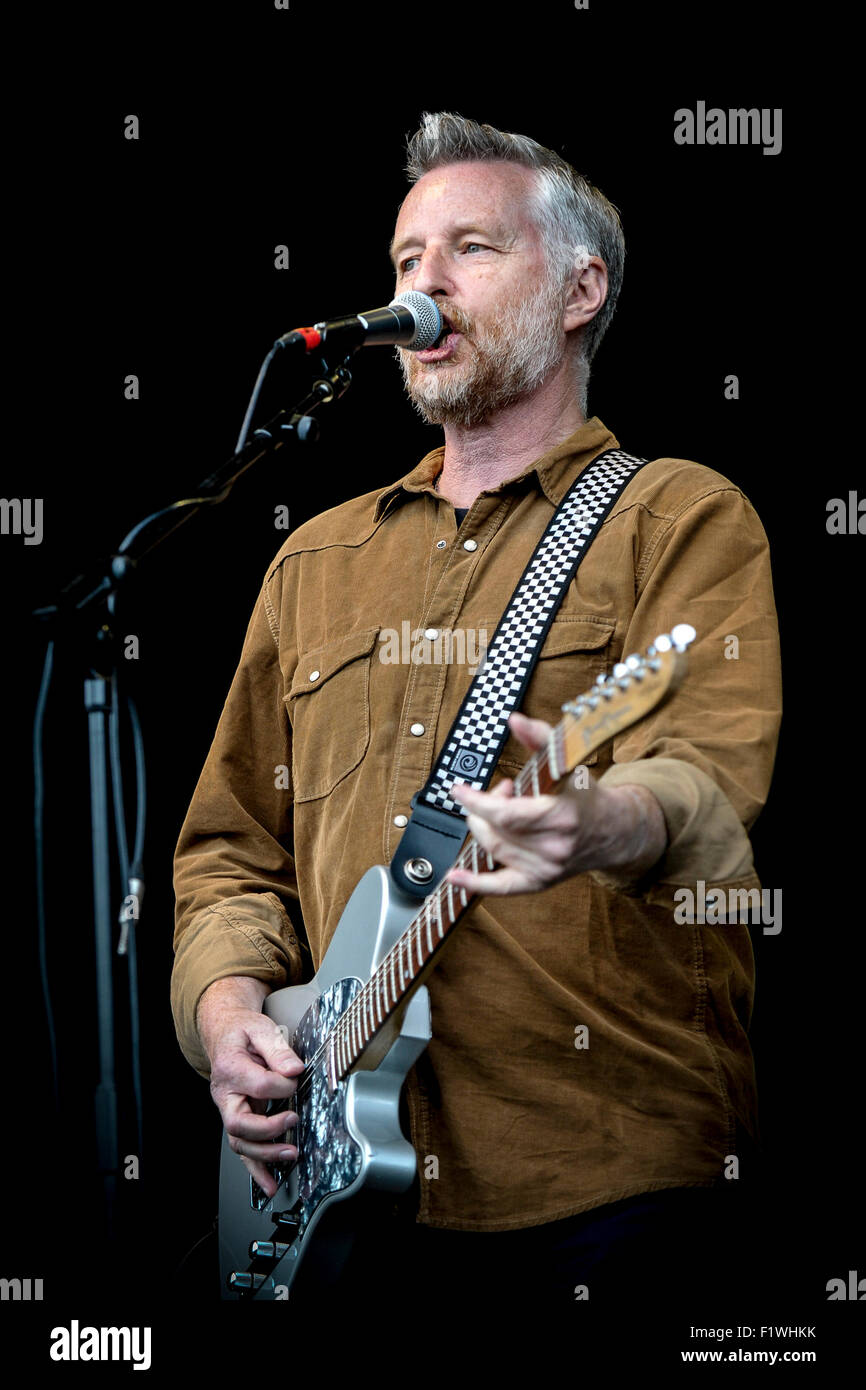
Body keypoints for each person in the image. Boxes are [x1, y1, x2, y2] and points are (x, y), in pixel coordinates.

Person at [171, 112, 781, 1316]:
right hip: (336, 1209)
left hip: (604, 1182)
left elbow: (707, 774)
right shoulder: (315, 561)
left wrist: (601, 821)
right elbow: (228, 849)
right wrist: (230, 1014)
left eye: (470, 249)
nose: (422, 285)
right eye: (404, 260)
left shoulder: (675, 515)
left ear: (578, 289)